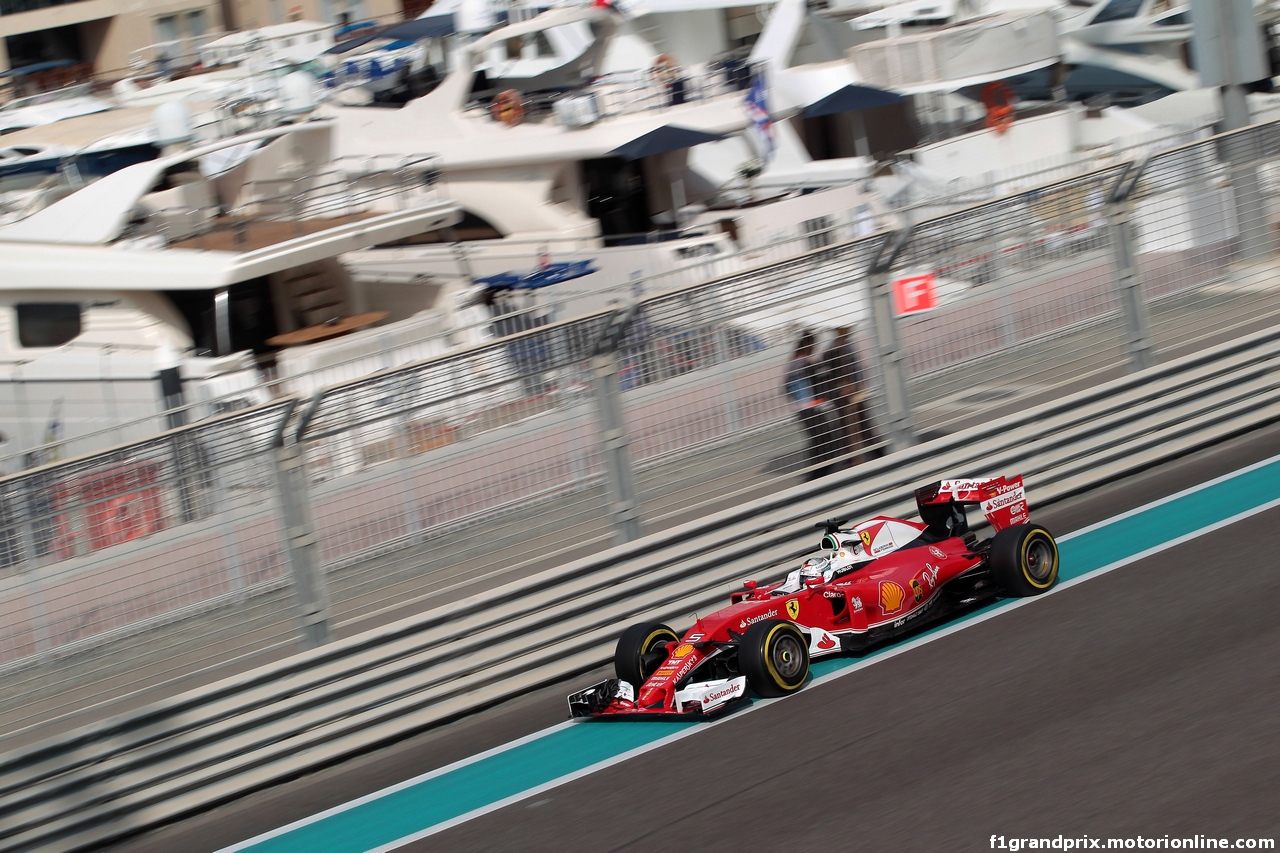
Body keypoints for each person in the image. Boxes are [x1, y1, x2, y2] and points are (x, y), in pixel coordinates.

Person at [818, 325, 880, 464]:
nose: (850, 330)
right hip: (843, 395)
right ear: (839, 330)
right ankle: (854, 457)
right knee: (848, 426)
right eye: (846, 328)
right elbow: (827, 375)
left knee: (862, 422)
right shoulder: (831, 350)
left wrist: (859, 385)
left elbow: (855, 367)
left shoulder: (847, 344)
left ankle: (875, 450)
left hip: (855, 391)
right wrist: (841, 387)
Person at [783, 330, 839, 480]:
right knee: (824, 438)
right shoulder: (801, 362)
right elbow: (812, 381)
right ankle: (817, 474)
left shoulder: (795, 361)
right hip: (809, 408)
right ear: (808, 344)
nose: (815, 346)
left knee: (818, 439)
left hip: (804, 408)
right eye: (813, 344)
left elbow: (786, 387)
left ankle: (817, 472)